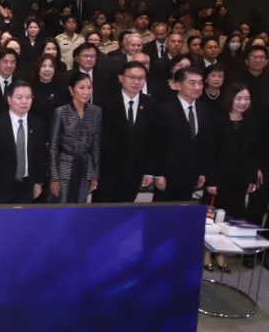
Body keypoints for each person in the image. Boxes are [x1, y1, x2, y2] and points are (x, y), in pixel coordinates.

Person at [204, 83, 261, 270]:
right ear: (229, 99)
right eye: (238, 98)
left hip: (239, 181)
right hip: (218, 180)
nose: (243, 102)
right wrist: (211, 180)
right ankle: (206, 253)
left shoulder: (252, 122)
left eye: (247, 98)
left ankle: (221, 254)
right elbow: (209, 153)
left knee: (232, 218)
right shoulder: (216, 121)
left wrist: (251, 177)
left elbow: (253, 154)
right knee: (213, 218)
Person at [92, 61, 156, 203]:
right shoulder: (104, 102)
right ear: (121, 78)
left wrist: (149, 171)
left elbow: (153, 140)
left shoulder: (151, 104)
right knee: (101, 210)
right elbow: (96, 138)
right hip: (107, 170)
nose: (136, 82)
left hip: (135, 171)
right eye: (132, 77)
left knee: (126, 209)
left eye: (141, 78)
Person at [151, 66, 214, 202]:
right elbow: (156, 144)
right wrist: (158, 174)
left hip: (192, 174)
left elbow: (205, 144)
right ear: (178, 85)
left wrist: (203, 172)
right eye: (192, 83)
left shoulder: (205, 109)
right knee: (162, 212)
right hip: (168, 175)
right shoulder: (164, 110)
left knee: (184, 211)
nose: (197, 87)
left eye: (200, 83)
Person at [0, 80, 47, 204]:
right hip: (1, 185)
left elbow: (39, 156)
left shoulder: (37, 124)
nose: (24, 101)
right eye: (19, 97)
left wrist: (38, 182)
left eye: (28, 97)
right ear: (9, 99)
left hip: (27, 184)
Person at [48, 71, 102, 204]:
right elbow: (53, 148)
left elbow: (96, 146)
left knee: (80, 206)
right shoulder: (61, 112)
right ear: (71, 90)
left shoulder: (96, 111)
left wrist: (95, 174)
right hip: (64, 168)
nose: (86, 92)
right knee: (61, 206)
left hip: (85, 167)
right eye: (81, 88)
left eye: (89, 87)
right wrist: (54, 178)